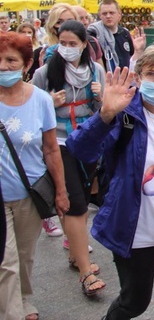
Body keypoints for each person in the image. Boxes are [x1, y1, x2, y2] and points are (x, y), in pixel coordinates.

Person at [66, 46, 154, 319]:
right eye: (151, 74)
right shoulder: (124, 114)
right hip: (136, 230)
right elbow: (80, 149)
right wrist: (104, 115)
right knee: (134, 302)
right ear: (138, 78)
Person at [31, 20, 107, 296]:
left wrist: (101, 98)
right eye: (62, 43)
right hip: (60, 142)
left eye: (72, 44)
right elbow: (31, 104)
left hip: (88, 141)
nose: (66, 49)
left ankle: (75, 254)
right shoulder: (44, 72)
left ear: (84, 45)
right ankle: (86, 272)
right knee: (75, 204)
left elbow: (105, 110)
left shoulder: (96, 71)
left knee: (83, 201)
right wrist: (48, 103)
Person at [0, 31, 69, 320]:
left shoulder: (40, 100)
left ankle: (24, 298)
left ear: (26, 64)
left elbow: (51, 150)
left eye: (11, 60)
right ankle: (12, 312)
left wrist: (61, 191)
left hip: (29, 192)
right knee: (6, 261)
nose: (3, 66)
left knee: (25, 256)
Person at [88, 0, 141, 72]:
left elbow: (132, 57)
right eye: (104, 13)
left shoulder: (125, 33)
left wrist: (138, 50)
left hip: (126, 80)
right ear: (100, 15)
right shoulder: (94, 34)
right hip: (105, 80)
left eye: (111, 13)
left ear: (119, 14)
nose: (108, 16)